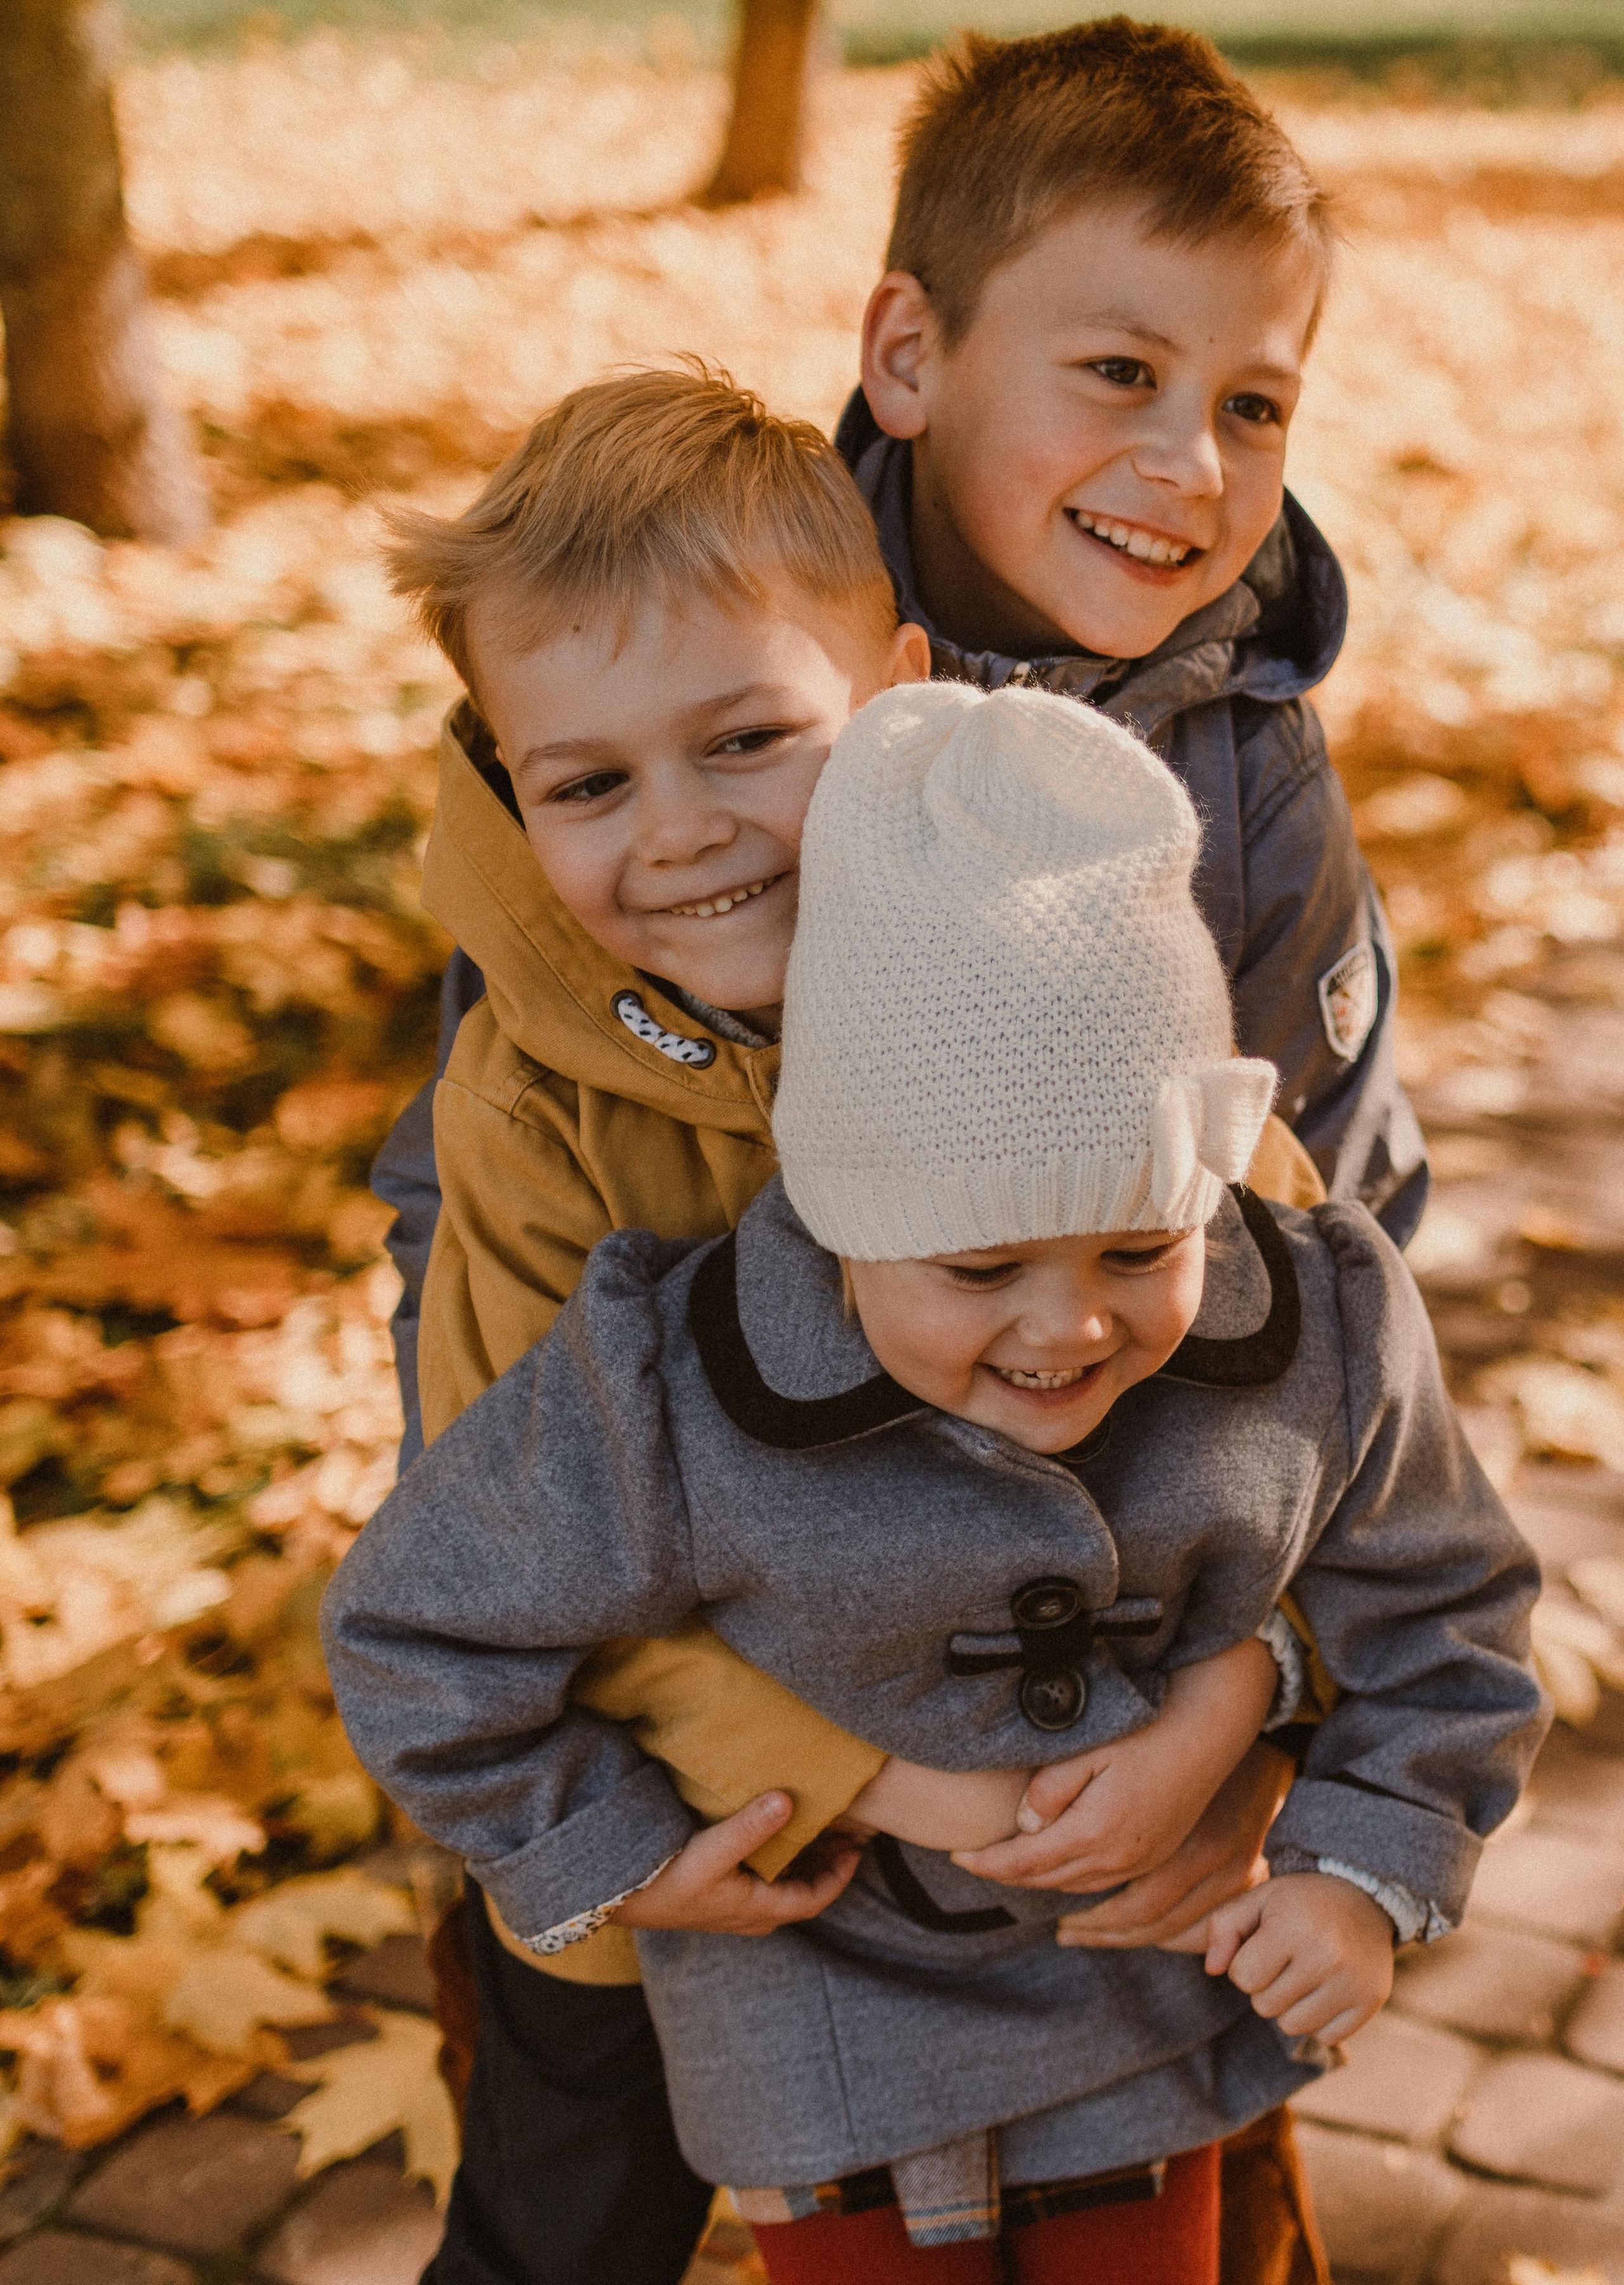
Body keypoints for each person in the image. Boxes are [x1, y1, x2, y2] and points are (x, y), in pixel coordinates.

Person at [328, 680, 1545, 2285]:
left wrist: (1359, 1866)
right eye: (976, 1266)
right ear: (836, 1216)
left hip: (1140, 2023)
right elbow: (416, 1634)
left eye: (1140, 1243)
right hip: (820, 2050)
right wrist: (610, 1847)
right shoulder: (671, 1380)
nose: (1069, 1325)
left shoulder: (1315, 1316)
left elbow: (1446, 1609)